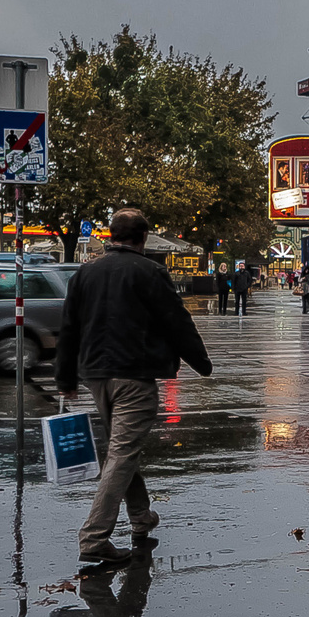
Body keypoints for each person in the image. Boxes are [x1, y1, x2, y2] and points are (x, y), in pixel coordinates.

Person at [56, 209, 212, 564]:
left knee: (120, 448)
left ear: (112, 236)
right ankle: (94, 538)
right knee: (122, 453)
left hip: (95, 375)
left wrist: (65, 378)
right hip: (134, 375)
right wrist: (201, 363)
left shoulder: (85, 272)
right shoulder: (150, 272)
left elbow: (69, 328)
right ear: (143, 238)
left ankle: (141, 517)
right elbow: (177, 321)